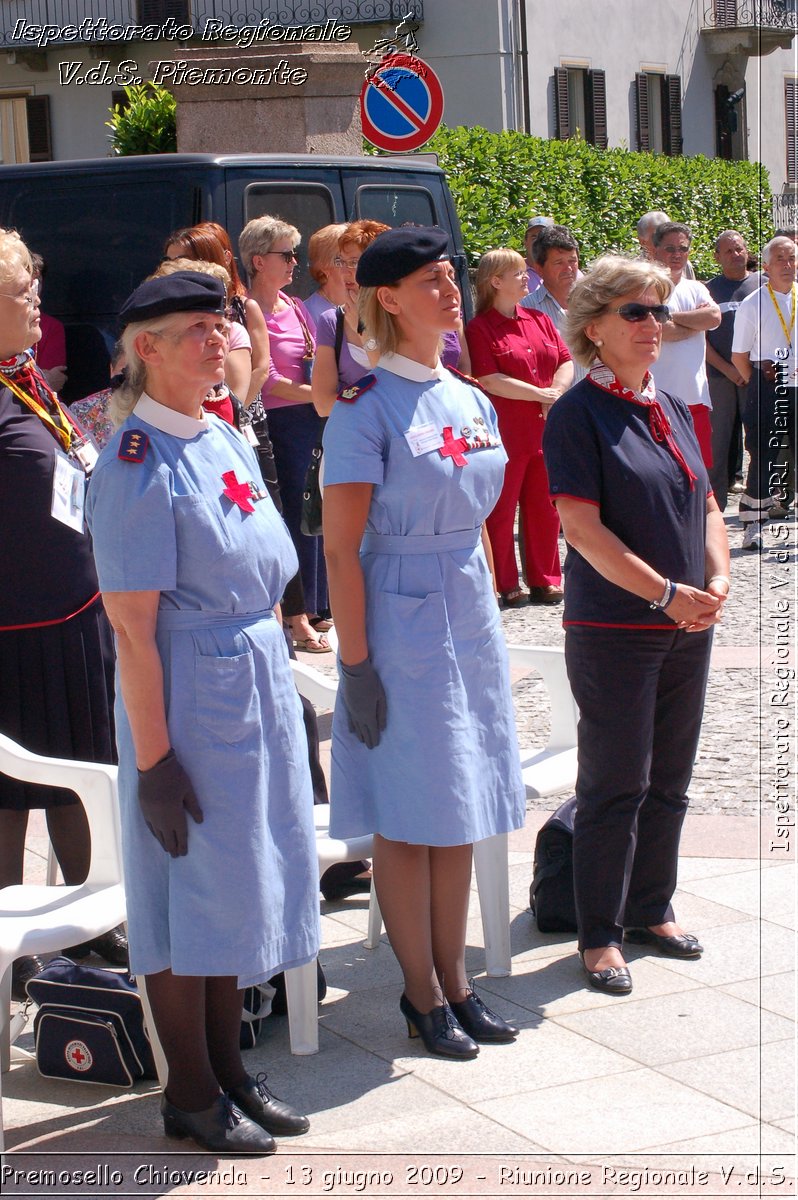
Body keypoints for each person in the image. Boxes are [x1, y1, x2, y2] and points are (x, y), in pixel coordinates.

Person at [85, 271, 319, 1155]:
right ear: (146, 349)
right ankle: (188, 1090)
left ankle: (230, 1067)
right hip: (186, 693)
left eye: (222, 322)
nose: (219, 337)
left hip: (248, 676)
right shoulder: (136, 462)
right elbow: (133, 632)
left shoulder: (218, 437)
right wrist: (155, 763)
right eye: (197, 327)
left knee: (237, 885)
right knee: (185, 895)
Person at [322, 227, 525, 1058]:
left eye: (451, 277)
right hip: (398, 617)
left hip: (466, 610)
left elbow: (480, 517)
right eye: (430, 282)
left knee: (462, 806)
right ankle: (420, 993)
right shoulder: (364, 409)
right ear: (388, 300)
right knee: (411, 817)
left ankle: (457, 980)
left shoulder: (470, 398)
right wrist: (357, 662)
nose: (450, 290)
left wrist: (490, 620)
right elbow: (339, 546)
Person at [542, 254, 730, 995]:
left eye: (657, 310)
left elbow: (708, 504)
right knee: (615, 783)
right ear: (595, 327)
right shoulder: (578, 413)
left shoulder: (674, 407)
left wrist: (715, 579)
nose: (656, 323)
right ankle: (599, 935)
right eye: (637, 312)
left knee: (670, 779)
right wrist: (664, 594)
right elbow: (582, 530)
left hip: (689, 623)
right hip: (619, 629)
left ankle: (652, 906)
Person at [0, 228, 122, 999]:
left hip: (76, 619)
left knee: (86, 781)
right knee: (8, 801)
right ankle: (12, 950)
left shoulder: (25, 377)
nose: (37, 300)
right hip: (15, 632)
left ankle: (94, 924)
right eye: (22, 292)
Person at [240, 215, 330, 653]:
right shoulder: (249, 308)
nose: (294, 262)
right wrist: (320, 392)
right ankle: (297, 614)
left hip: (310, 417)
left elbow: (318, 355)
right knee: (293, 512)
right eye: (286, 254)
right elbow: (269, 377)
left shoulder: (293, 306)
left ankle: (314, 604)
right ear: (259, 261)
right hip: (280, 423)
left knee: (315, 509)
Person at [466, 248, 573, 606]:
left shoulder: (538, 319)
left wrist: (555, 392)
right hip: (507, 431)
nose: (526, 277)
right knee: (502, 508)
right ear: (495, 281)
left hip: (545, 426)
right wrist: (541, 393)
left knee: (545, 506)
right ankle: (504, 581)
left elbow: (565, 359)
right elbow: (489, 378)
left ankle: (546, 578)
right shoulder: (480, 327)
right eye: (517, 273)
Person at [732, 235, 797, 551]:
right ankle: (753, 526)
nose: (788, 265)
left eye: (793, 258)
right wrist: (760, 384)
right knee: (762, 456)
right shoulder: (752, 303)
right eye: (781, 259)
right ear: (767, 266)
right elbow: (739, 356)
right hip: (768, 388)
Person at [162, 222, 271, 408]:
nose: (174, 268)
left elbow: (259, 372)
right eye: (169, 261)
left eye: (182, 260)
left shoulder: (236, 324)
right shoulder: (157, 321)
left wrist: (238, 414)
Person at [650, 222, 721, 469]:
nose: (677, 254)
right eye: (670, 248)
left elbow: (714, 318)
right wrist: (694, 321)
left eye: (683, 248)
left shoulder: (696, 288)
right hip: (656, 398)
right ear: (654, 250)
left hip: (695, 397)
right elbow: (662, 332)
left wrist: (670, 315)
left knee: (698, 471)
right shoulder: (648, 289)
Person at [705, 231, 761, 510]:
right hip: (720, 377)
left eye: (739, 249)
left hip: (758, 376)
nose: (735, 255)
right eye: (728, 251)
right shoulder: (709, 290)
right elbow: (700, 339)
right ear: (717, 257)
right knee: (718, 442)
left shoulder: (763, 284)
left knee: (758, 439)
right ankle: (715, 505)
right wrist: (728, 369)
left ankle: (757, 500)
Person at [311, 219, 388, 418]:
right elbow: (322, 404)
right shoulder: (331, 321)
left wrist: (363, 331)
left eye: (353, 262)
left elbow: (396, 381)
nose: (344, 271)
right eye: (341, 261)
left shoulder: (402, 314)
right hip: (355, 438)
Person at [521, 224, 587, 383]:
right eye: (559, 263)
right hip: (555, 403)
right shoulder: (526, 310)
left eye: (572, 260)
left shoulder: (595, 303)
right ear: (539, 269)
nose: (568, 268)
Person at [29, 252, 68, 394]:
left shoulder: (51, 326)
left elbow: (54, 380)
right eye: (29, 282)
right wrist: (41, 379)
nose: (35, 289)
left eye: (38, 280)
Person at [304, 223, 350, 327]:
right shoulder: (307, 314)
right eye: (343, 260)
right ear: (325, 267)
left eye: (355, 259)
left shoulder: (367, 306)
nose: (353, 266)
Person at [637, 211, 695, 279]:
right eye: (657, 237)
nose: (664, 241)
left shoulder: (684, 266)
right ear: (642, 241)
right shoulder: (634, 270)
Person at [523, 216, 553, 293]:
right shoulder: (514, 273)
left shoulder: (569, 272)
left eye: (544, 237)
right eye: (534, 237)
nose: (538, 242)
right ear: (525, 242)